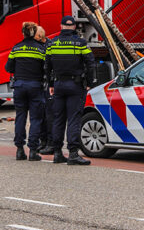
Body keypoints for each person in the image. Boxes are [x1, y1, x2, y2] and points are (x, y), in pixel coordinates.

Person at [45, 16, 96, 166]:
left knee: (58, 119)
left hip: (58, 84)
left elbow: (47, 66)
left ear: (61, 26)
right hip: (75, 85)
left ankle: (57, 153)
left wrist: (50, 84)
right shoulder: (80, 43)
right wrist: (89, 82)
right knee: (74, 119)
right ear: (74, 27)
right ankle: (73, 153)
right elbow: (90, 63)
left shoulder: (52, 43)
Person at [6, 21, 46, 161]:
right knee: (35, 119)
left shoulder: (16, 48)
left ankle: (19, 150)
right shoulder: (41, 49)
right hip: (35, 86)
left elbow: (8, 68)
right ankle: (33, 151)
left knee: (20, 117)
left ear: (23, 33)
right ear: (35, 33)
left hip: (19, 86)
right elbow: (46, 68)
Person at [34, 26, 56, 156]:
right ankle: (43, 141)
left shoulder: (50, 46)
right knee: (40, 115)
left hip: (48, 85)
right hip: (39, 84)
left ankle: (51, 143)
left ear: (40, 37)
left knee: (49, 115)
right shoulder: (39, 45)